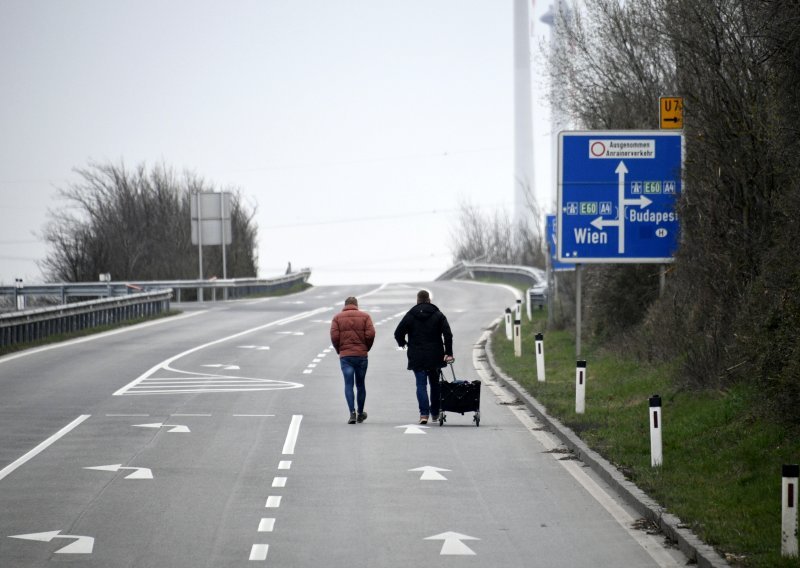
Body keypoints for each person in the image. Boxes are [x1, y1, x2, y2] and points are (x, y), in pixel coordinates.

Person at [393, 289, 454, 425]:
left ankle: (424, 415)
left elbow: (398, 333)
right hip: (435, 355)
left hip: (417, 356)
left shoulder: (410, 315)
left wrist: (404, 345)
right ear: (429, 300)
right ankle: (435, 413)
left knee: (421, 385)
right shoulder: (438, 314)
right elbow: (448, 334)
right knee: (435, 384)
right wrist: (448, 353)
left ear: (417, 300)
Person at [330, 296, 375, 424]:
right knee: (360, 384)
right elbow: (371, 334)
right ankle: (361, 413)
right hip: (361, 355)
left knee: (348, 384)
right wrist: (366, 347)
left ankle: (352, 413)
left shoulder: (337, 318)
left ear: (345, 305)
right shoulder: (365, 317)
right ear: (356, 305)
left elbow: (334, 336)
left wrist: (339, 349)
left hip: (346, 357)